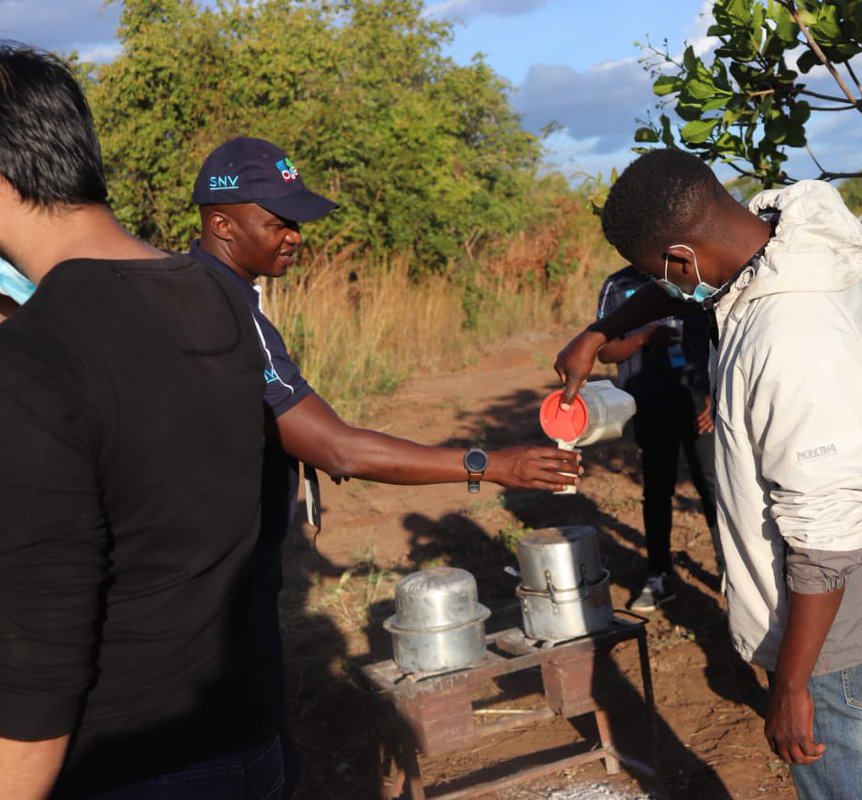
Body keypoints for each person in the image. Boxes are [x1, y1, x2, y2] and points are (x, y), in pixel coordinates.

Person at [188, 136, 582, 793]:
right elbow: (337, 447)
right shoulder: (224, 307)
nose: (294, 237)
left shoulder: (196, 291)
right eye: (277, 221)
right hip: (219, 572)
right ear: (221, 223)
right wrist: (491, 464)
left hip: (203, 566)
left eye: (299, 223)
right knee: (245, 750)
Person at [554, 148, 862, 799]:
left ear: (682, 259)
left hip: (837, 628)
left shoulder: (791, 339)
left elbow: (826, 537)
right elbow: (691, 284)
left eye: (663, 276)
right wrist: (602, 330)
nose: (671, 292)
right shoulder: (797, 232)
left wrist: (791, 686)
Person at [0, 43, 281, 798]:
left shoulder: (33, 356)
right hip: (245, 738)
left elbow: (42, 646)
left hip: (127, 762)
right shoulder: (212, 293)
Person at [596, 266, 720, 610]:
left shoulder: (691, 276)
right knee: (657, 489)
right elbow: (604, 351)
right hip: (649, 402)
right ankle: (659, 574)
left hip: (697, 401)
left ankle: (730, 572)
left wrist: (713, 391)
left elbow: (717, 336)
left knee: (713, 486)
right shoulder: (618, 284)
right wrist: (641, 338)